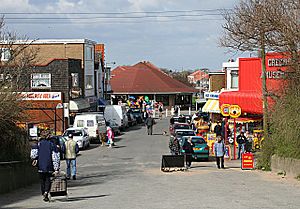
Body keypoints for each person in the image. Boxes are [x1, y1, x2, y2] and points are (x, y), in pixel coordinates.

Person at [30, 130, 60, 202]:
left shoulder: (38, 144)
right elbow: (55, 157)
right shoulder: (52, 145)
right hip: (49, 165)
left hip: (40, 165)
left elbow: (33, 155)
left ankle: (43, 192)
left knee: (42, 180)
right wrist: (56, 169)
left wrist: (36, 158)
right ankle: (46, 192)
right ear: (48, 136)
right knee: (48, 179)